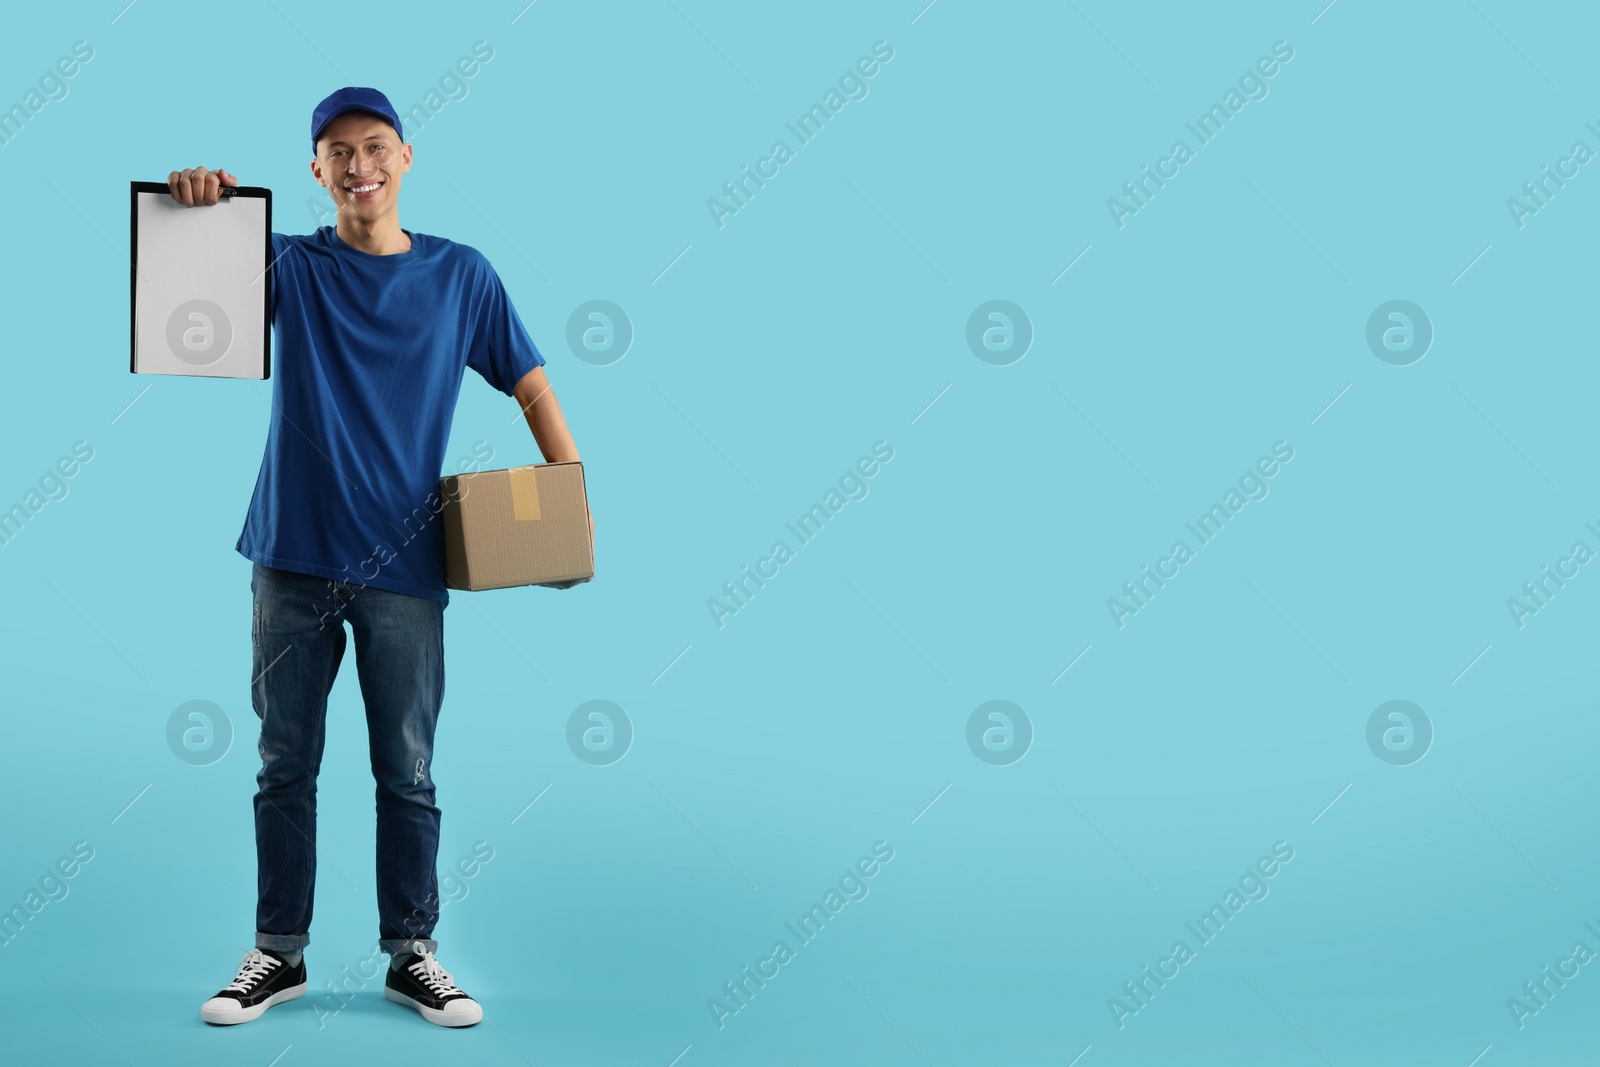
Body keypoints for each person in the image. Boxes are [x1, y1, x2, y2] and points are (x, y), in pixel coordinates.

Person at [171, 87, 588, 1028]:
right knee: (286, 763)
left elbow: (529, 379)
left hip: (406, 568)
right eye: (337, 152)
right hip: (290, 557)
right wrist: (197, 204)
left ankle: (413, 953)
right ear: (316, 172)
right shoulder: (290, 267)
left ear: (406, 159)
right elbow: (186, 292)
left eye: (375, 147)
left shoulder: (460, 276)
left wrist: (566, 497)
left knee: (407, 770)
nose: (359, 164)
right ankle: (277, 953)